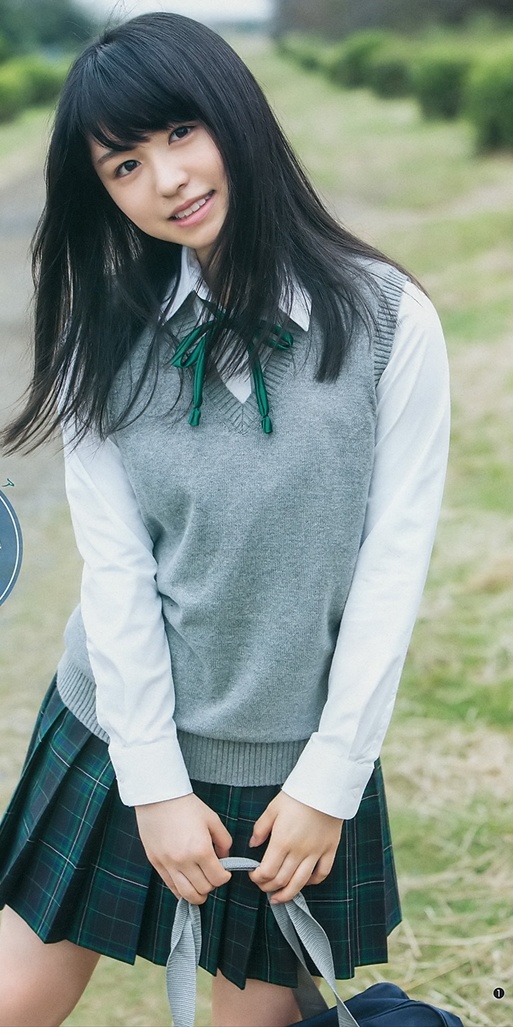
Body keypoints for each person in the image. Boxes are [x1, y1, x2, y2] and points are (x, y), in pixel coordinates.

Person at [0, 12, 450, 1027]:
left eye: (180, 133)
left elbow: (392, 566)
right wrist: (153, 783)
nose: (166, 180)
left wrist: (331, 780)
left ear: (235, 118)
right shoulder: (101, 347)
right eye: (124, 166)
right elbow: (118, 575)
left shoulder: (390, 321)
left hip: (292, 759)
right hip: (119, 732)